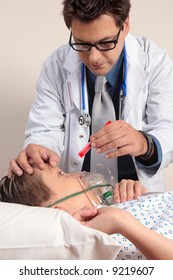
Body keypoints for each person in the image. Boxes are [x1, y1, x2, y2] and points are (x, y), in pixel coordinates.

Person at [9, 0, 173, 192]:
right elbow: (45, 131)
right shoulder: (56, 66)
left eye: (105, 43)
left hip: (134, 193)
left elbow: (167, 128)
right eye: (82, 44)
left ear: (125, 25)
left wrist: (144, 143)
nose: (94, 57)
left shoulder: (154, 61)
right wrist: (40, 151)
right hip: (78, 194)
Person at [1, 165, 173, 260]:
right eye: (62, 174)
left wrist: (143, 195)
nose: (77, 173)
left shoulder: (113, 206)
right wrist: (121, 220)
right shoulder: (101, 239)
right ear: (58, 211)